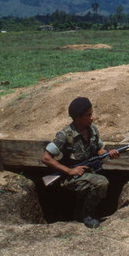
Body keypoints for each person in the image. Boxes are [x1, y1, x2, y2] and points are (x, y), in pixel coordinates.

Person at [42, 97, 120, 229]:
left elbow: (99, 149)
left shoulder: (92, 130)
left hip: (87, 171)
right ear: (77, 118)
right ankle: (87, 215)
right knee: (101, 183)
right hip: (70, 176)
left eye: (92, 113)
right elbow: (46, 158)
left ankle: (79, 211)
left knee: (96, 181)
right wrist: (69, 171)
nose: (92, 118)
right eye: (87, 115)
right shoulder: (65, 135)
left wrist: (108, 154)